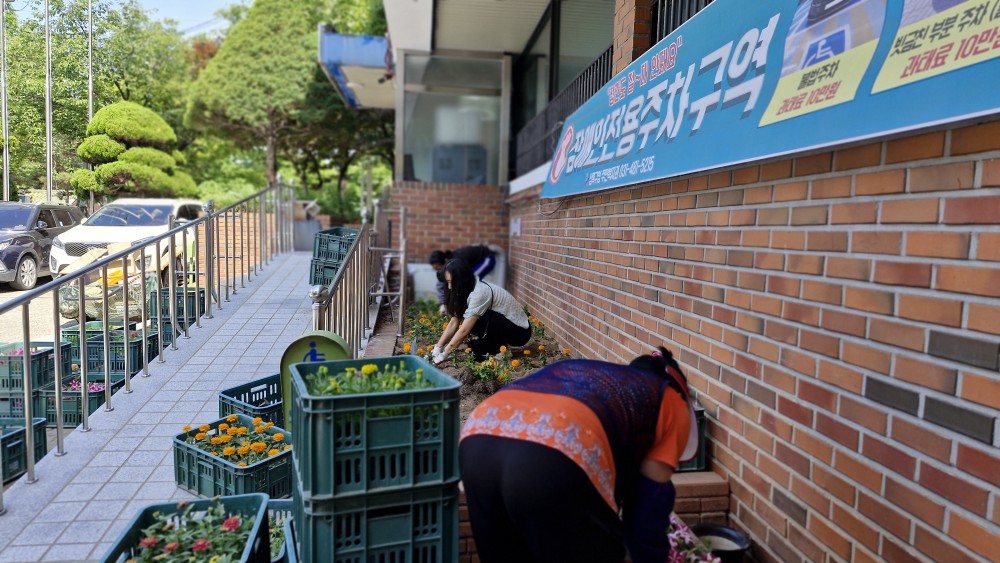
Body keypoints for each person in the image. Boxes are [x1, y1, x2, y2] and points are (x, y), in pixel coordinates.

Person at [458, 347, 700, 563]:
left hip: (478, 436)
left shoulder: (597, 377)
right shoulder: (669, 397)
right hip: (553, 450)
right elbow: (650, 503)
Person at [431, 259, 530, 363]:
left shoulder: (479, 292)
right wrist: (438, 348)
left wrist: (443, 355)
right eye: (448, 282)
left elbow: (464, 330)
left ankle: (500, 351)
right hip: (501, 323)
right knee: (476, 352)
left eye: (452, 282)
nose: (450, 287)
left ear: (462, 279)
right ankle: (495, 347)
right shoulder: (464, 290)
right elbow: (454, 322)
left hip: (519, 332)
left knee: (474, 320)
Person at [429, 245, 496, 314]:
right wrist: (442, 304)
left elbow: (463, 280)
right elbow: (441, 283)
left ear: (445, 260)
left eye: (439, 268)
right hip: (470, 263)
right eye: (436, 269)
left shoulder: (457, 262)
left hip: (486, 258)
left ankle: (472, 307)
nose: (439, 271)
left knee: (472, 280)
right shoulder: (448, 265)